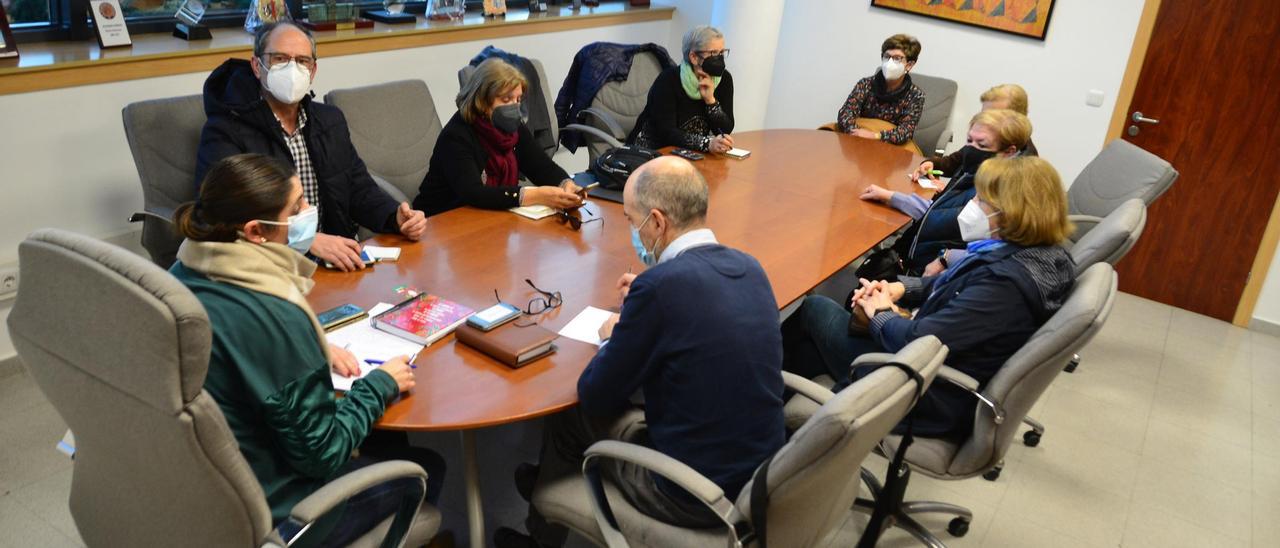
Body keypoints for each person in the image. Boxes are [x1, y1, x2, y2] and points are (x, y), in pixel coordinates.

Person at [495, 157, 785, 547]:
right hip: (761, 476)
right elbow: (692, 303)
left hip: (692, 494)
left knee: (571, 415)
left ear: (658, 222)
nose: (632, 231)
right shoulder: (750, 267)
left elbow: (596, 394)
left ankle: (540, 532)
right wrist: (649, 298)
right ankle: (549, 473)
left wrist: (614, 334)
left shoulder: (662, 289)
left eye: (632, 221)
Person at [170, 153, 445, 546]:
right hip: (279, 510)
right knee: (426, 466)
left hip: (204, 483)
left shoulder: (185, 269)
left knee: (379, 443)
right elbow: (322, 451)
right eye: (296, 207)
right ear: (254, 231)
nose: (308, 211)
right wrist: (380, 383)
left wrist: (312, 342)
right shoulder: (274, 314)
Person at [784, 156, 1076, 442]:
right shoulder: (1041, 255)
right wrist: (902, 290)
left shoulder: (1003, 287)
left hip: (924, 389)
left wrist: (880, 313)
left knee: (814, 308)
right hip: (935, 365)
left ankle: (780, 427)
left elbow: (919, 342)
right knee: (809, 350)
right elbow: (960, 285)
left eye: (981, 201)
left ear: (1011, 213)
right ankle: (785, 432)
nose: (971, 206)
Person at [196, 21, 428, 273]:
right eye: (280, 58)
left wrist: (393, 216)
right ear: (257, 66)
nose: (292, 68)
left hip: (337, 260)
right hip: (271, 266)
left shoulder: (329, 120)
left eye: (302, 61)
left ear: (313, 70)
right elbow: (222, 215)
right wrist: (307, 240)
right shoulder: (225, 130)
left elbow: (357, 188)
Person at [858, 109, 1033, 277]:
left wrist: (942, 261)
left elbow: (944, 222)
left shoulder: (996, 194)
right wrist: (891, 196)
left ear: (1009, 152)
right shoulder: (972, 171)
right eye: (969, 140)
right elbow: (940, 213)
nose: (970, 149)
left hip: (927, 274)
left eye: (981, 144)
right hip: (914, 259)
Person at [413, 58, 584, 217]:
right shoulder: (456, 135)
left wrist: (565, 184)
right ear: (483, 101)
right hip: (440, 220)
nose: (514, 107)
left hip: (486, 217)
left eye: (518, 99)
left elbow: (541, 166)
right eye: (506, 99)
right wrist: (535, 194)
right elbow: (474, 193)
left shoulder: (513, 128)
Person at [627, 25, 735, 154]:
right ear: (694, 57)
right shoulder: (668, 80)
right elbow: (667, 132)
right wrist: (707, 144)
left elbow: (725, 129)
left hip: (690, 153)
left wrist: (711, 101)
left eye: (722, 52)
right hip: (651, 152)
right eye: (713, 53)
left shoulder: (724, 79)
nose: (719, 58)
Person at [909, 83, 1039, 182]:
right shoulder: (982, 141)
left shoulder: (1023, 169)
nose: (983, 119)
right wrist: (932, 164)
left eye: (992, 115)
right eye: (983, 112)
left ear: (1016, 118)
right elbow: (954, 162)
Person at [836, 34, 925, 145]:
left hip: (889, 148)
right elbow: (845, 113)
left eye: (897, 58)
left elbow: (906, 131)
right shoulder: (865, 84)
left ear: (909, 65)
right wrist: (856, 132)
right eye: (887, 56)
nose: (890, 63)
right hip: (858, 140)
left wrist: (875, 136)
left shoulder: (916, 95)